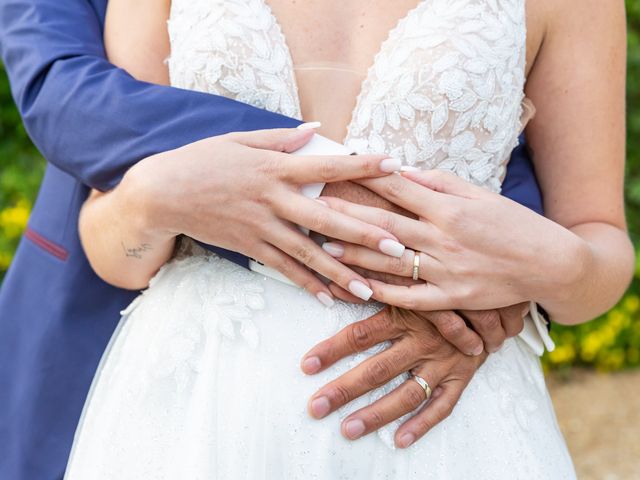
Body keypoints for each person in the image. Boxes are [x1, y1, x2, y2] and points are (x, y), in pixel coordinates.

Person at [62, 0, 632, 478]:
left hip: (443, 428)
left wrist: (537, 263)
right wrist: (152, 195)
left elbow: (600, 245)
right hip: (194, 409)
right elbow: (115, 251)